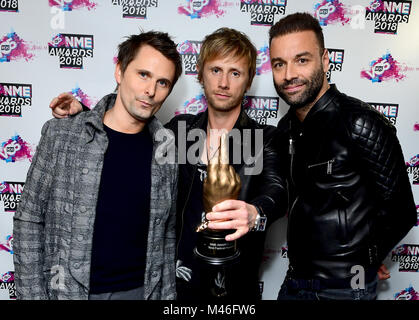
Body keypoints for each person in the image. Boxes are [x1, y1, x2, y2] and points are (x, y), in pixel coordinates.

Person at [49, 28, 288, 301]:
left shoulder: (262, 139)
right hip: (174, 289)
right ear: (200, 73)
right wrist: (85, 114)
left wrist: (255, 213)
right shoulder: (179, 131)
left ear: (248, 81)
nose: (223, 83)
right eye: (215, 70)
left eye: (235, 73)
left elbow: (277, 192)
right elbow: (126, 132)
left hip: (234, 291)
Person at [13, 31, 182, 300]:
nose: (151, 91)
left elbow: (167, 233)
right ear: (119, 71)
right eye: (143, 75)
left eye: (163, 82)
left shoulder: (167, 147)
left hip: (140, 293)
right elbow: (29, 220)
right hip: (71, 293)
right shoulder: (63, 134)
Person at [269, 12, 417, 300]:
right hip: (295, 283)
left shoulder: (359, 122)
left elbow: (402, 211)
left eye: (302, 60)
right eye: (279, 64)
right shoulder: (285, 128)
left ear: (325, 60)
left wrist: (368, 260)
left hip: (346, 290)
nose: (289, 75)